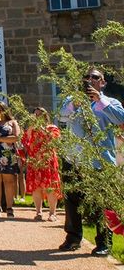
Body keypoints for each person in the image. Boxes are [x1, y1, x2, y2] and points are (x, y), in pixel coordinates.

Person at [57, 68, 124, 256]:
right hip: (74, 158)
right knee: (72, 200)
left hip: (100, 160)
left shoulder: (111, 102)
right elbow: (61, 116)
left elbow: (121, 119)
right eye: (86, 77)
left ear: (102, 82)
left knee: (101, 203)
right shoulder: (72, 100)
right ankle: (73, 237)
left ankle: (104, 242)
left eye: (94, 77)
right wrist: (75, 104)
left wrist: (99, 101)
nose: (89, 80)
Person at [21, 107, 62, 222]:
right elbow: (25, 141)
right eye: (35, 115)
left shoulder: (52, 128)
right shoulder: (32, 129)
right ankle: (38, 212)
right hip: (35, 161)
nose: (37, 117)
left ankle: (52, 213)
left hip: (48, 162)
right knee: (36, 187)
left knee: (50, 187)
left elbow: (54, 140)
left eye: (40, 115)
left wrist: (41, 128)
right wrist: (31, 128)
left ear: (45, 116)